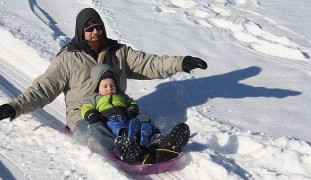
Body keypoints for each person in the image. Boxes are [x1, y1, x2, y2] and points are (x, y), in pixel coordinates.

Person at [0, 8, 207, 163]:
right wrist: (15, 106)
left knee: (140, 121)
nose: (96, 32)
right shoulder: (67, 59)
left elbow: (149, 64)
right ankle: (125, 150)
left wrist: (181, 62)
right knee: (96, 130)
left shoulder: (118, 52)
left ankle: (157, 143)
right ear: (81, 32)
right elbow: (43, 88)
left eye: (98, 27)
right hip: (85, 115)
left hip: (118, 109)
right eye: (89, 29)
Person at [81, 64, 156, 163]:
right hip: (108, 121)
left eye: (112, 85)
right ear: (97, 87)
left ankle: (153, 138)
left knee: (142, 118)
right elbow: (86, 108)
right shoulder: (94, 98)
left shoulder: (121, 95)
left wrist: (132, 109)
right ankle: (123, 145)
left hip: (127, 119)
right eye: (105, 86)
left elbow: (131, 102)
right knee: (96, 128)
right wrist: (92, 115)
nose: (110, 88)